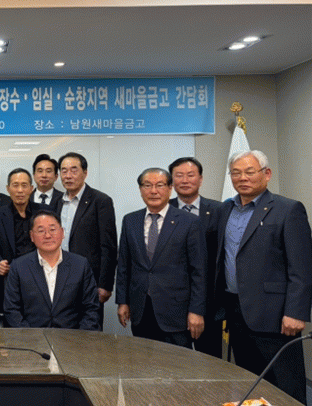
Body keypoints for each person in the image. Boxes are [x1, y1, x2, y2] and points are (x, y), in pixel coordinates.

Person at [215, 150, 312, 405]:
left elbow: (301, 267)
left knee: (285, 385)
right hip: (236, 311)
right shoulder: (225, 209)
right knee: (250, 381)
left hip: (275, 315)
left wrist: (296, 312)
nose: (242, 178)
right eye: (236, 173)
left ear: (266, 174)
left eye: (249, 172)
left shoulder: (288, 209)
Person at [115, 168, 206, 348]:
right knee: (142, 358)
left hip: (176, 312)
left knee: (177, 362)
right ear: (140, 189)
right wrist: (123, 301)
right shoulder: (130, 220)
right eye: (147, 185)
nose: (153, 191)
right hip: (141, 309)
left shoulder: (189, 222)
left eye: (160, 185)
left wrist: (197, 310)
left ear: (170, 188)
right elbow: (124, 265)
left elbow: (199, 271)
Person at [3, 210, 100, 329]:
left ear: (62, 233)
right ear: (32, 236)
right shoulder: (19, 266)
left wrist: (79, 338)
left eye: (52, 229)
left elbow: (91, 308)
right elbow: (11, 309)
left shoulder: (80, 265)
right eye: (41, 231)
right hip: (31, 337)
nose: (48, 235)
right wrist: (29, 336)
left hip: (72, 337)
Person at [55, 152, 117, 327]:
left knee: (89, 330)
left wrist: (105, 284)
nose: (68, 176)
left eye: (74, 170)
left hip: (89, 280)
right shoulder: (57, 202)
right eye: (64, 171)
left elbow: (109, 246)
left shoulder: (100, 201)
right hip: (59, 277)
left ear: (85, 172)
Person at [168, 156, 222, 358]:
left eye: (190, 175)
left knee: (209, 362)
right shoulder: (162, 209)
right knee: (173, 361)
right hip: (171, 301)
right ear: (171, 181)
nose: (185, 180)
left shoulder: (220, 210)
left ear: (200, 179)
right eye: (179, 175)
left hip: (210, 302)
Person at [0, 168, 44, 315]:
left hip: (39, 275)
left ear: (31, 188)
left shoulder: (43, 212)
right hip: (9, 276)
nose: (20, 190)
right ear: (8, 189)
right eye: (15, 185)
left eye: (24, 185)